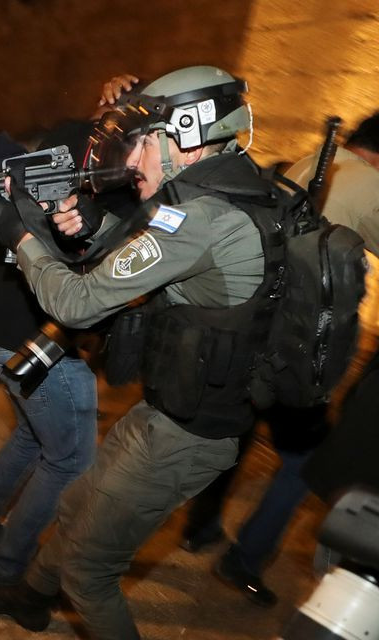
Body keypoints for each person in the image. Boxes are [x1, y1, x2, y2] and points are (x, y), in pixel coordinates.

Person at [0, 65, 269, 638]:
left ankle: (47, 592)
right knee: (78, 503)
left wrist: (22, 237)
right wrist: (95, 226)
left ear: (188, 131)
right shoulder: (225, 189)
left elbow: (80, 304)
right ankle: (33, 597)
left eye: (143, 145)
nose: (131, 161)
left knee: (89, 569)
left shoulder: (205, 215)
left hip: (192, 432)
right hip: (170, 406)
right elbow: (162, 254)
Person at [196, 112, 379, 605]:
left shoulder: (305, 163)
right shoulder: (369, 184)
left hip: (255, 324)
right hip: (298, 345)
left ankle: (199, 525)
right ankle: (246, 558)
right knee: (306, 459)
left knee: (233, 429)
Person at [0, 122, 108, 590]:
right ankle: (8, 570)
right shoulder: (78, 176)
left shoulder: (56, 160)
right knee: (70, 460)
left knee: (31, 436)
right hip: (37, 339)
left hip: (3, 331)